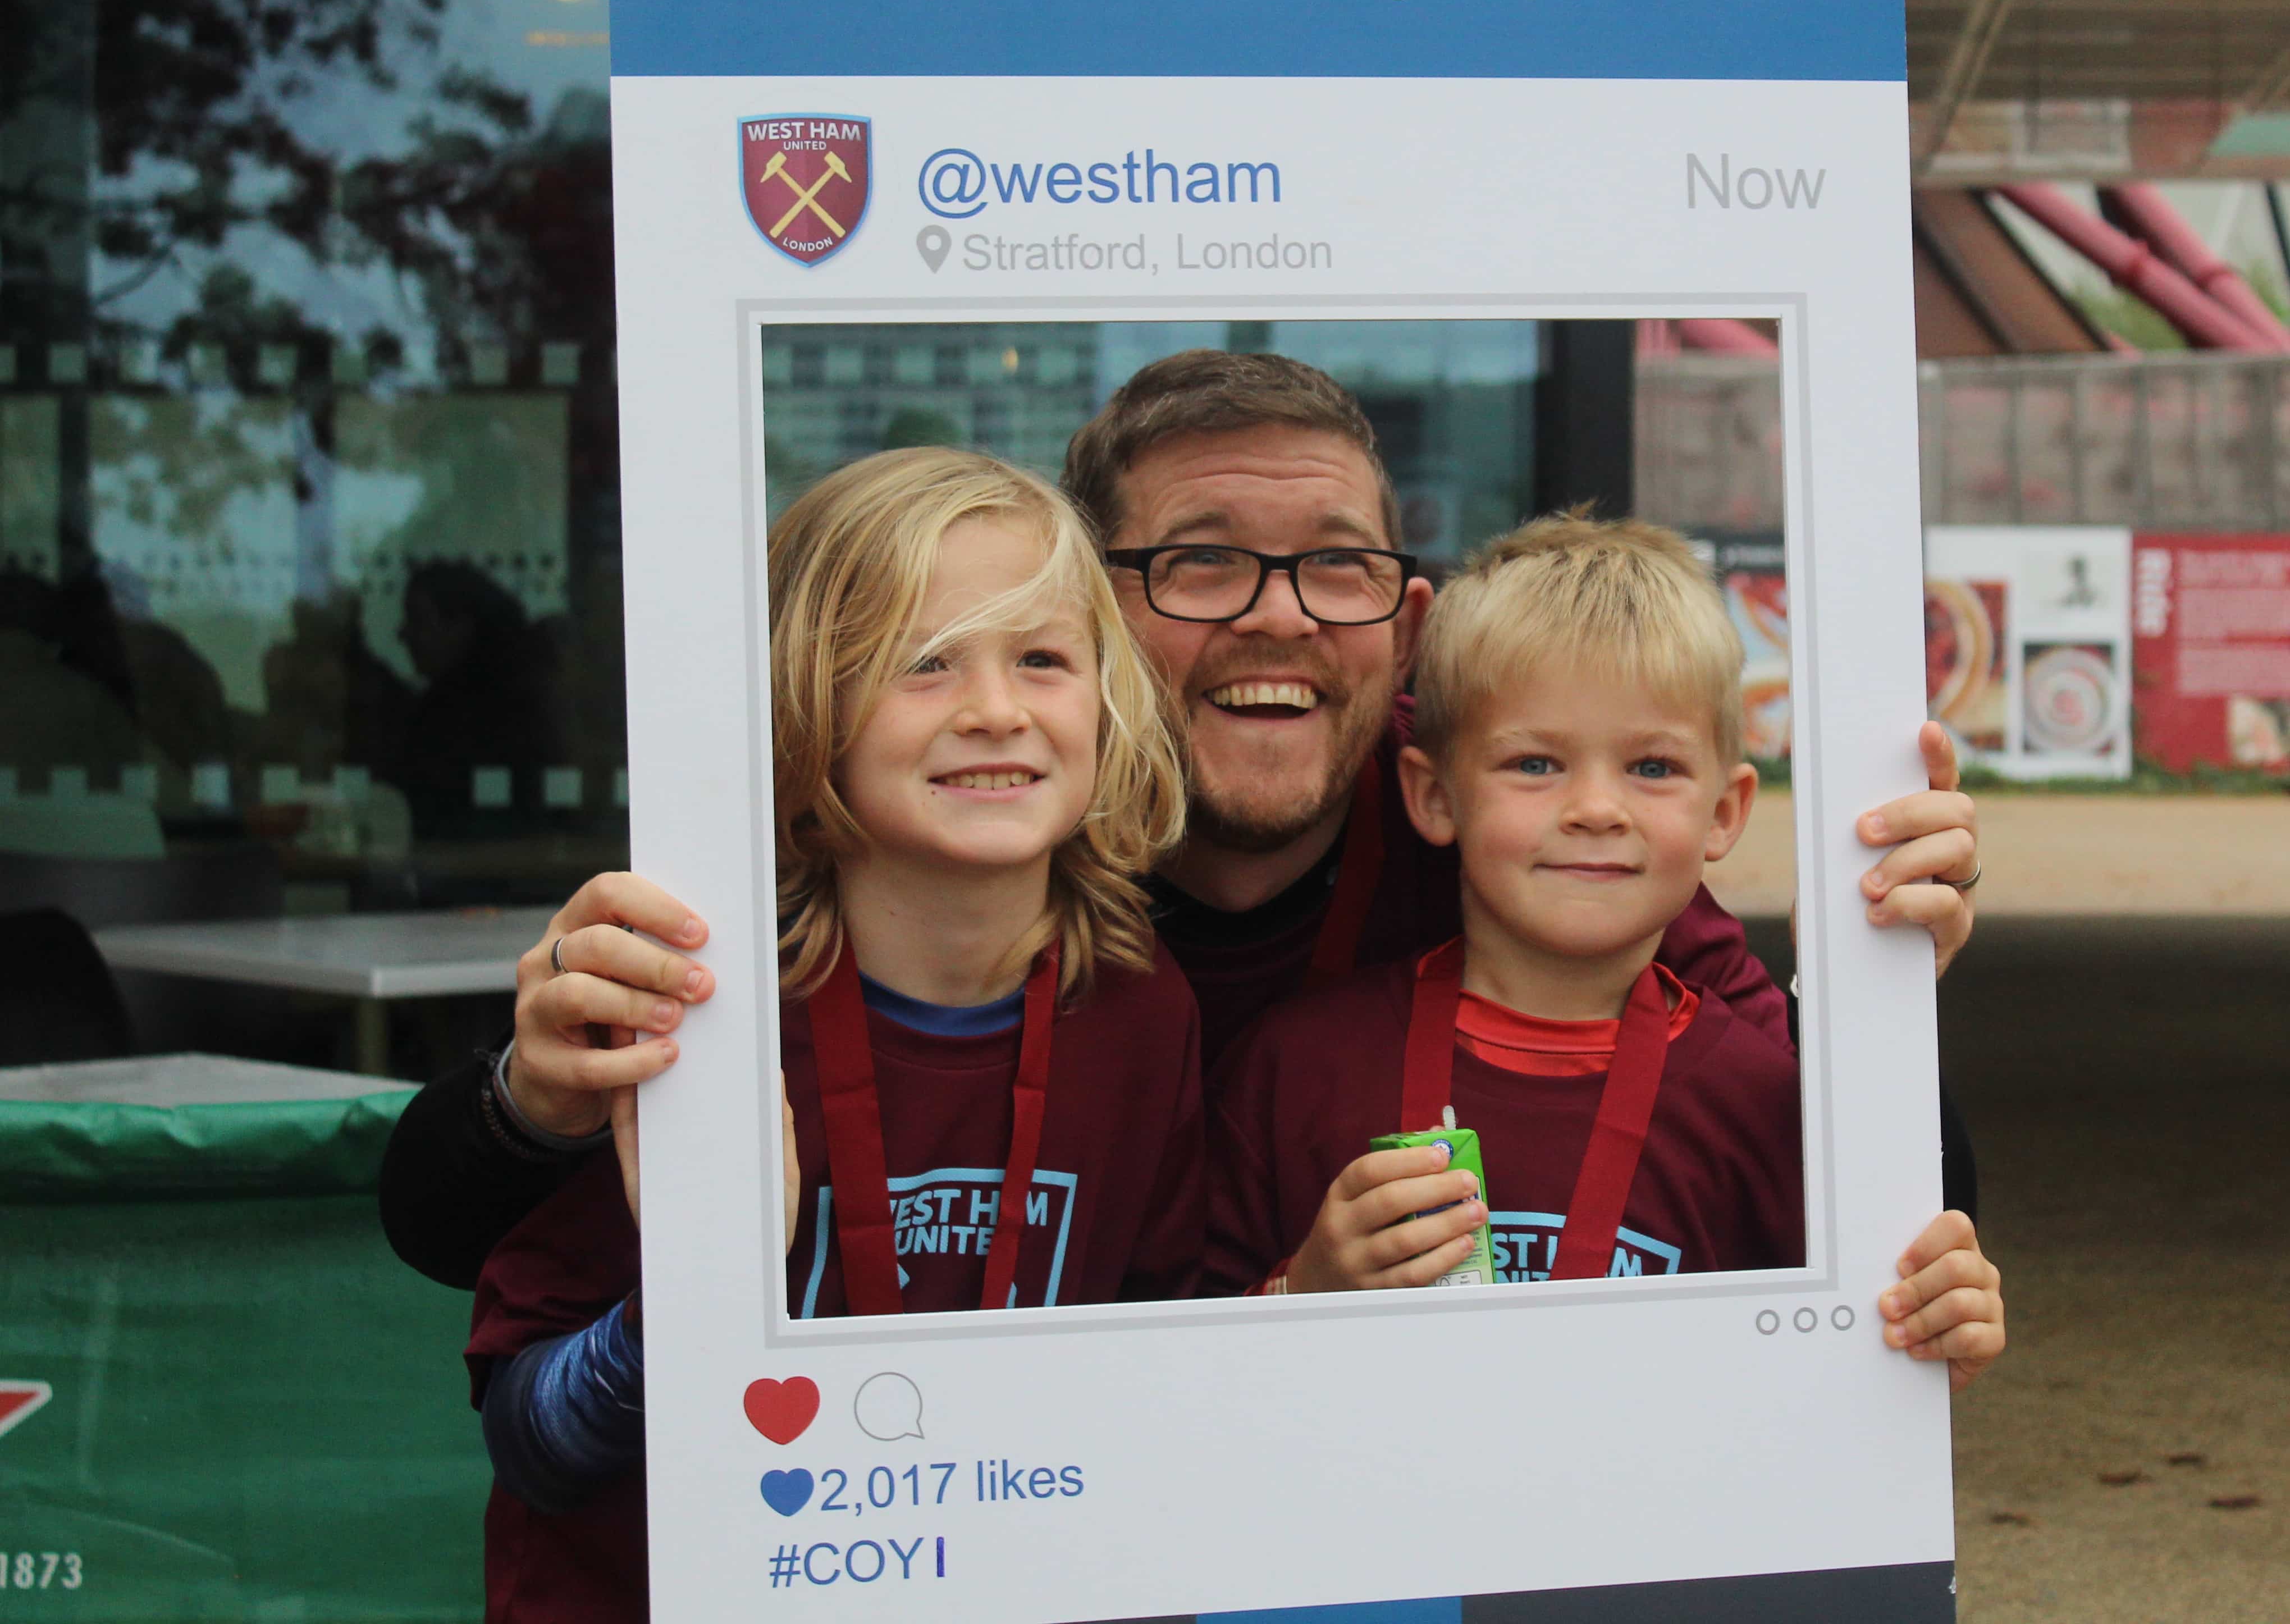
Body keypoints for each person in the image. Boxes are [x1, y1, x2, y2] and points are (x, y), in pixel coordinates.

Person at [380, 352, 1985, 1286]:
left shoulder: (1513, 842)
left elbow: (1852, 1165)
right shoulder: (952, 843)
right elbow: (445, 1228)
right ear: (1091, 606)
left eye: (1338, 565)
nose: (1281, 622)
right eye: (1202, 562)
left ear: (1407, 625)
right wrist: (533, 1097)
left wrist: (1891, 965)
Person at [464, 451, 1200, 1621]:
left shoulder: (1138, 1009)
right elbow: (536, 1446)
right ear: (802, 704)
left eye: (1043, 660)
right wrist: (700, 1300)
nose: (997, 709)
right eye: (925, 662)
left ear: (1109, 707)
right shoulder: (681, 1009)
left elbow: (1154, 1397)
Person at [1206, 515, 2001, 1383]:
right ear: (1433, 796)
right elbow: (1169, 1380)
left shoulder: (1770, 1098)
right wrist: (1301, 1294)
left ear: (1726, 814)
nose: (1596, 808)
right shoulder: (1296, 1066)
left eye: (1652, 768)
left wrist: (1933, 1331)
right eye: (1536, 765)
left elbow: (1882, 1338)